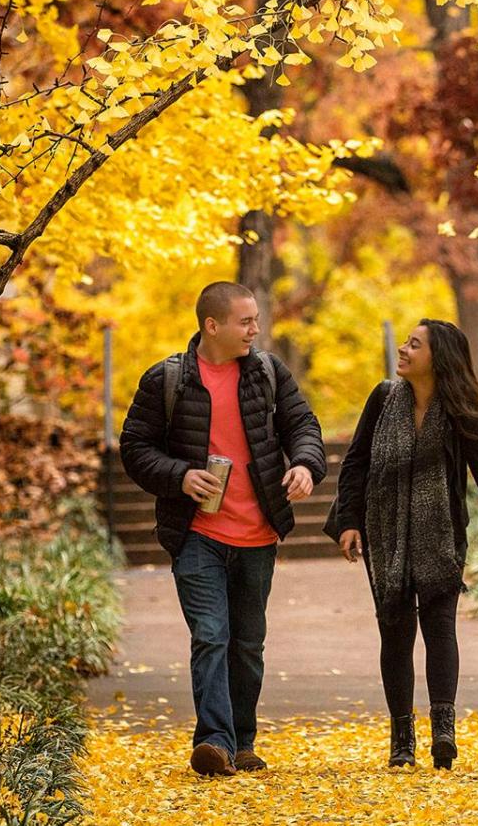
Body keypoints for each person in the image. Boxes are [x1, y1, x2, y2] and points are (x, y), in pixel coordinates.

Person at [119, 281, 325, 777]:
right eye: (245, 321)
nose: (255, 330)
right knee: (211, 635)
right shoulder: (166, 380)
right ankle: (214, 741)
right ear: (212, 325)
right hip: (196, 533)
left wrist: (304, 465)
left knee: (247, 644)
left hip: (258, 536)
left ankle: (242, 740)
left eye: (255, 320)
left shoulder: (269, 373)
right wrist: (180, 475)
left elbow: (304, 427)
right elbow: (135, 448)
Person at [325, 319, 478, 769]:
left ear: (439, 360)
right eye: (406, 342)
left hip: (440, 538)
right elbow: (356, 462)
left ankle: (443, 733)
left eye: (414, 345)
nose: (403, 349)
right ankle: (402, 741)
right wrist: (348, 521)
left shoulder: (459, 414)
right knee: (394, 633)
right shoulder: (383, 399)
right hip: (385, 533)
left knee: (440, 630)